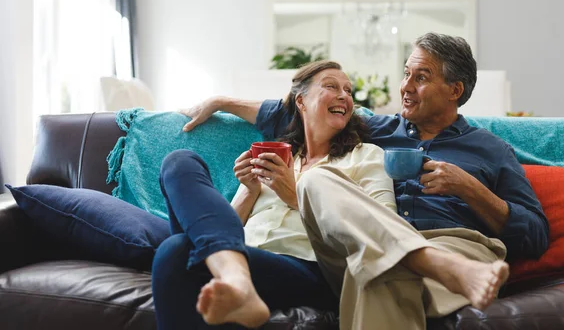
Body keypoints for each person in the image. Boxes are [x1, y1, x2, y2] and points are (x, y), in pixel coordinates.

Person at [180, 33, 549, 330]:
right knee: (318, 179)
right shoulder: (377, 129)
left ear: (455, 90)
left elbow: (534, 234)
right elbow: (299, 111)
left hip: (452, 244)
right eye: (406, 74)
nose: (406, 87)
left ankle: (439, 263)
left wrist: (470, 188)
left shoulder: (490, 149)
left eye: (421, 77)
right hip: (368, 246)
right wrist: (219, 101)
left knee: (379, 273)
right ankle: (432, 264)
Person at [152, 60, 398, 329]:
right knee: (179, 162)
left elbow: (384, 233)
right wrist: (249, 190)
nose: (344, 95)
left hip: (311, 268)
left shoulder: (367, 157)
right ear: (301, 101)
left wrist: (296, 197)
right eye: (331, 86)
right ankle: (236, 278)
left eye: (348, 91)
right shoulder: (276, 156)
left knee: (176, 251)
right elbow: (222, 228)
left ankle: (237, 280)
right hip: (242, 253)